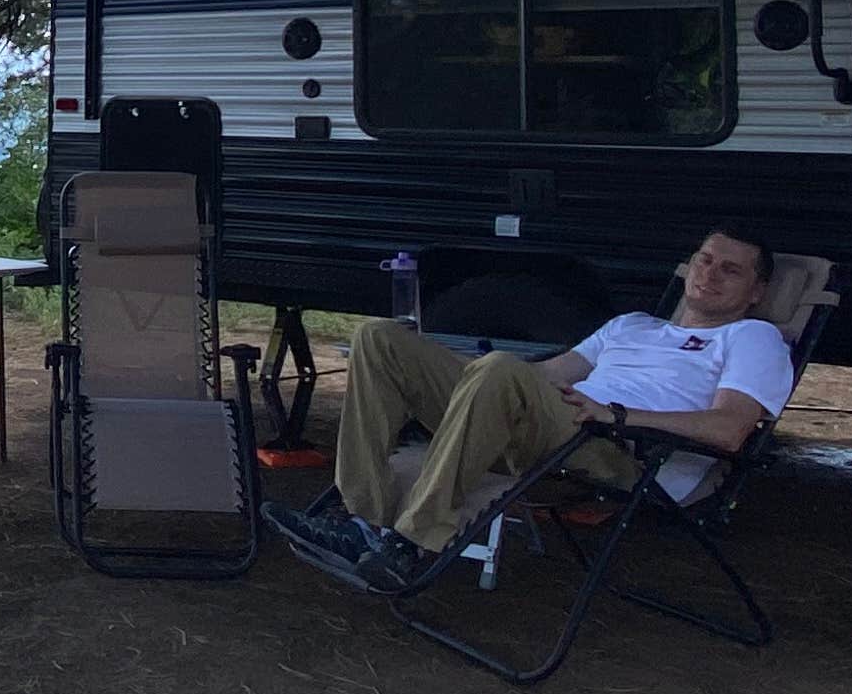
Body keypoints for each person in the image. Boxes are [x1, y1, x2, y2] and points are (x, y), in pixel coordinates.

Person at [274, 227, 795, 589]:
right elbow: (546, 376)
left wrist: (617, 415)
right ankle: (362, 519)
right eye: (706, 260)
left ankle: (410, 545)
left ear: (757, 290)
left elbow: (729, 430)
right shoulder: (633, 324)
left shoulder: (754, 338)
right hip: (557, 421)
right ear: (689, 266)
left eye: (732, 270)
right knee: (379, 337)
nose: (711, 274)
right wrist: (440, 365)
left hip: (623, 450)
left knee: (502, 369)